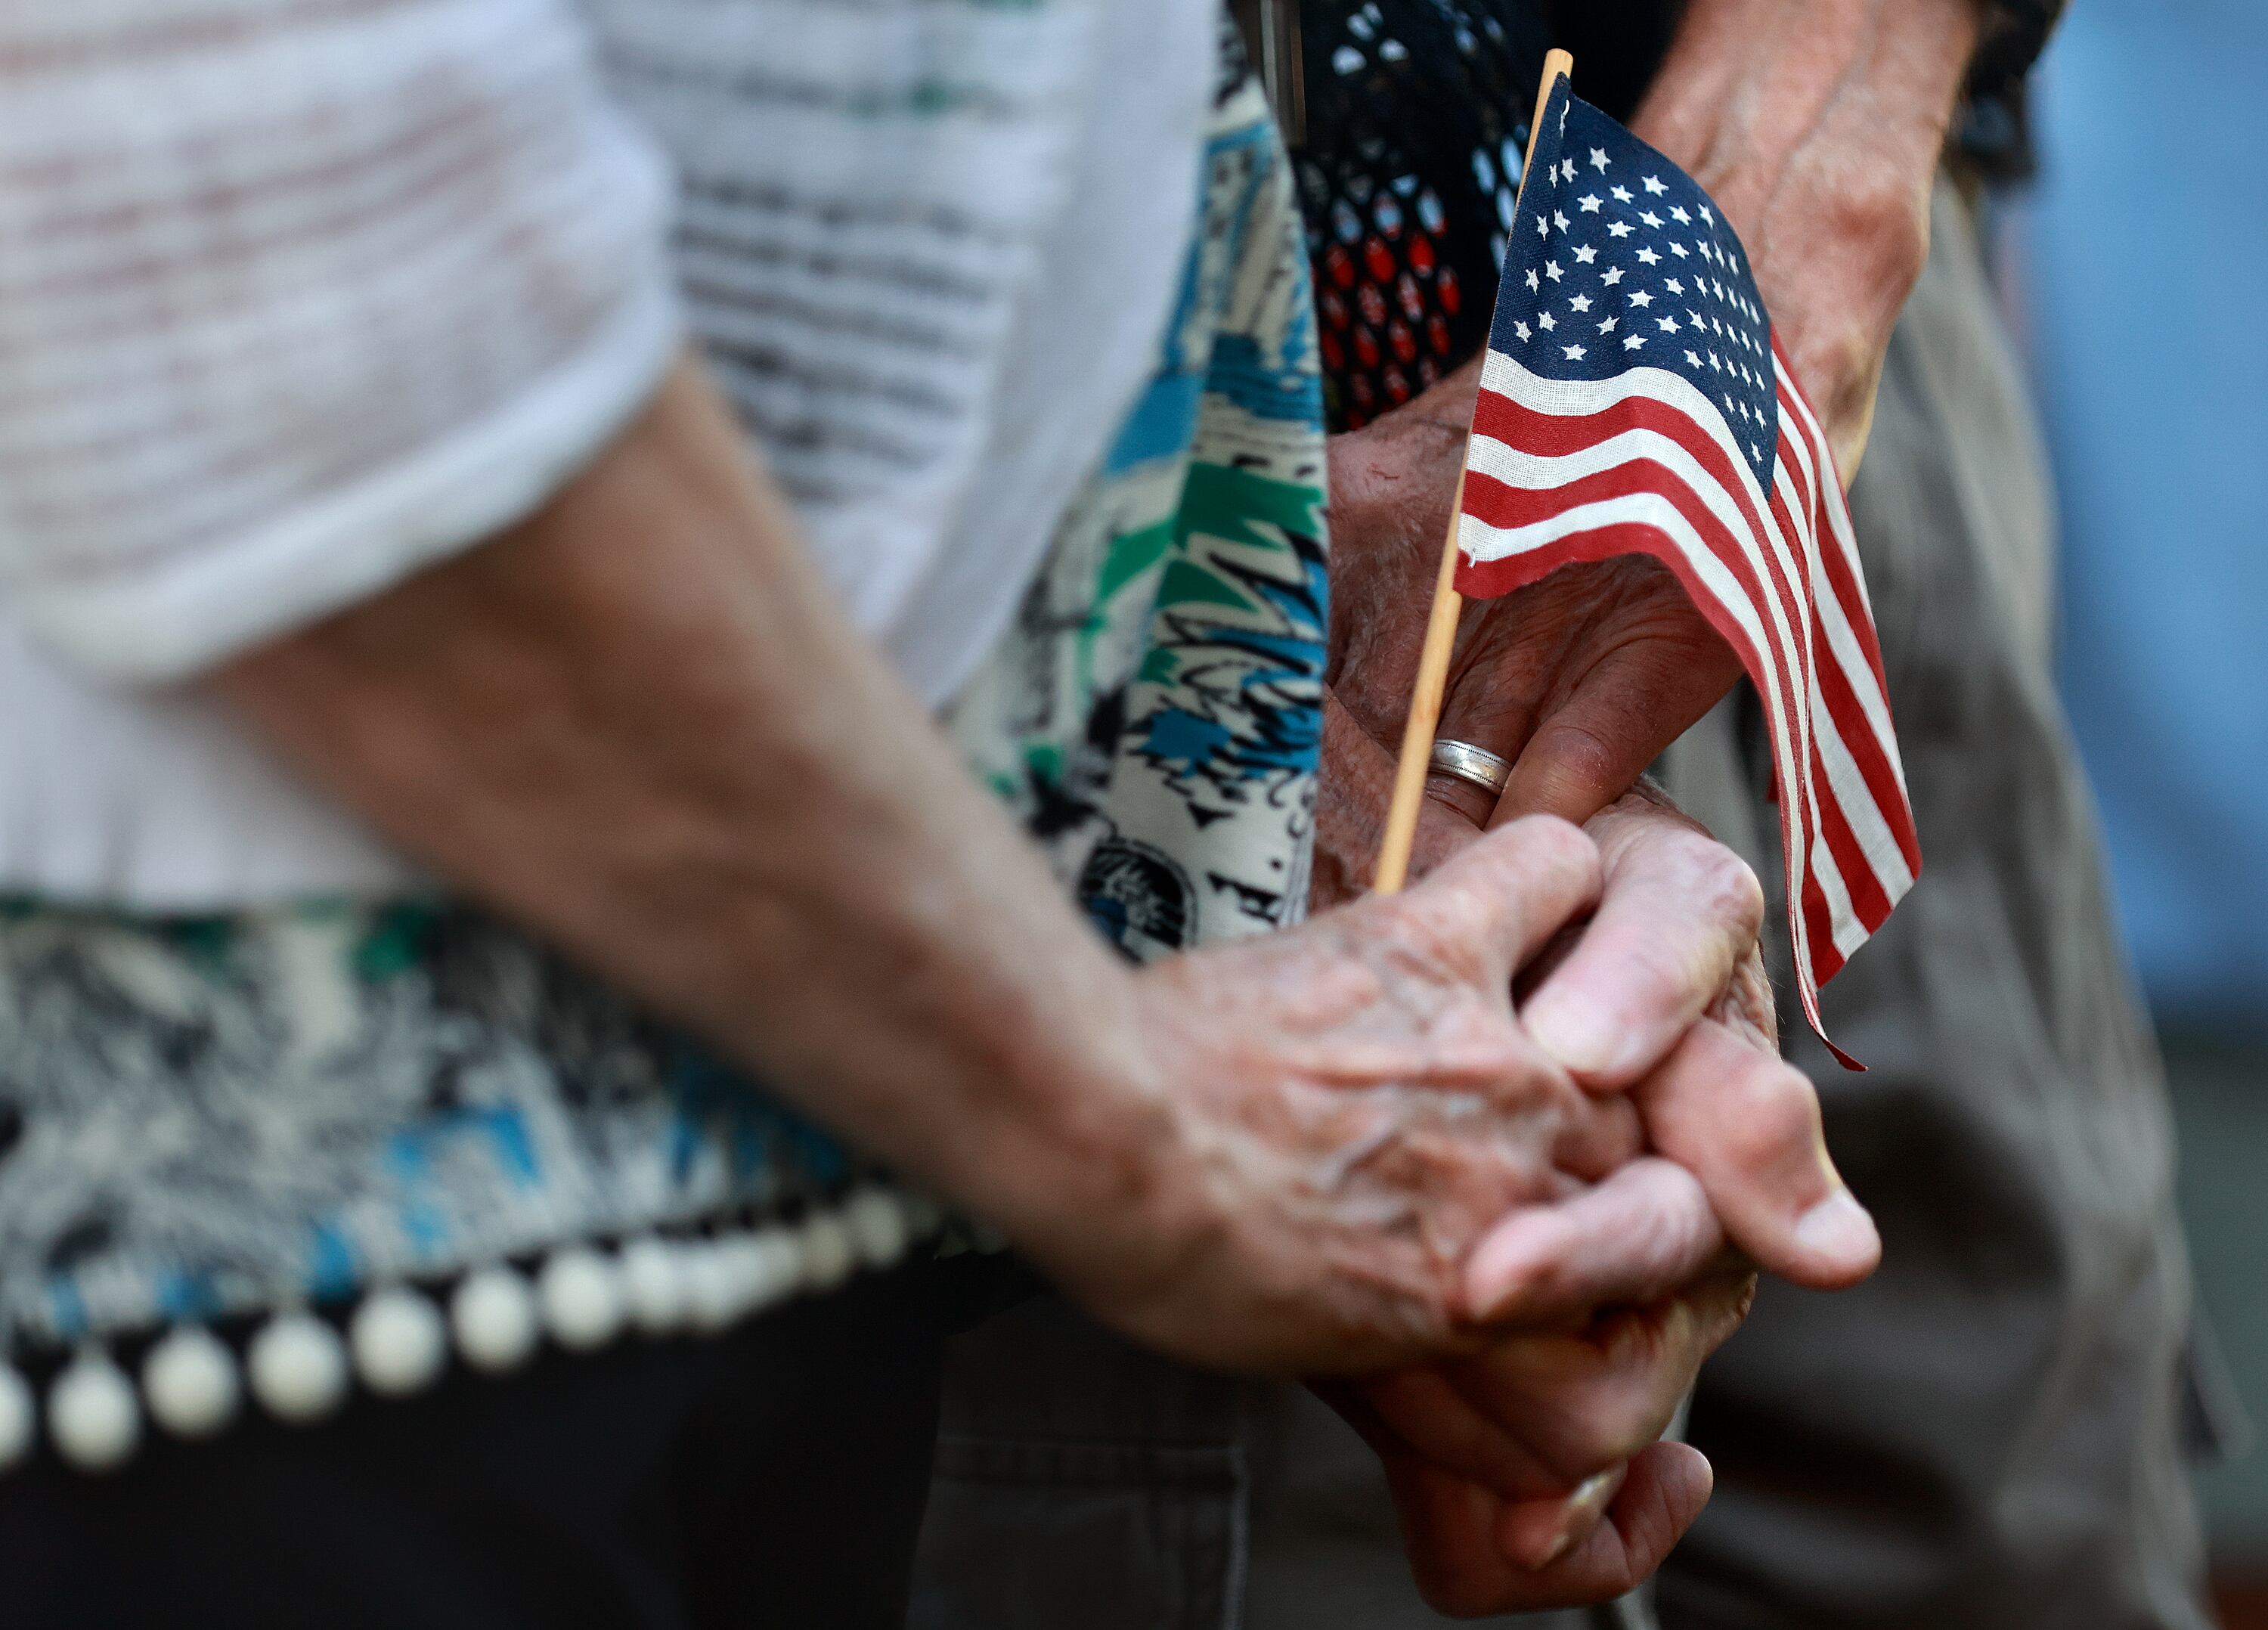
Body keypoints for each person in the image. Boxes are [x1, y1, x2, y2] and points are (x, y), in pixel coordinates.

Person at [0, 2, 1871, 1624]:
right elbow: (234, 244)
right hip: (251, 1298)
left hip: (791, 1195)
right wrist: (1132, 1109)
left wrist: (1320, 884)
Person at [915, 2, 2215, 1627]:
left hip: (1818, 389)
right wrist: (1187, 759)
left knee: (2012, 1541)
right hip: (1039, 488)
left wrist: (1832, 124)